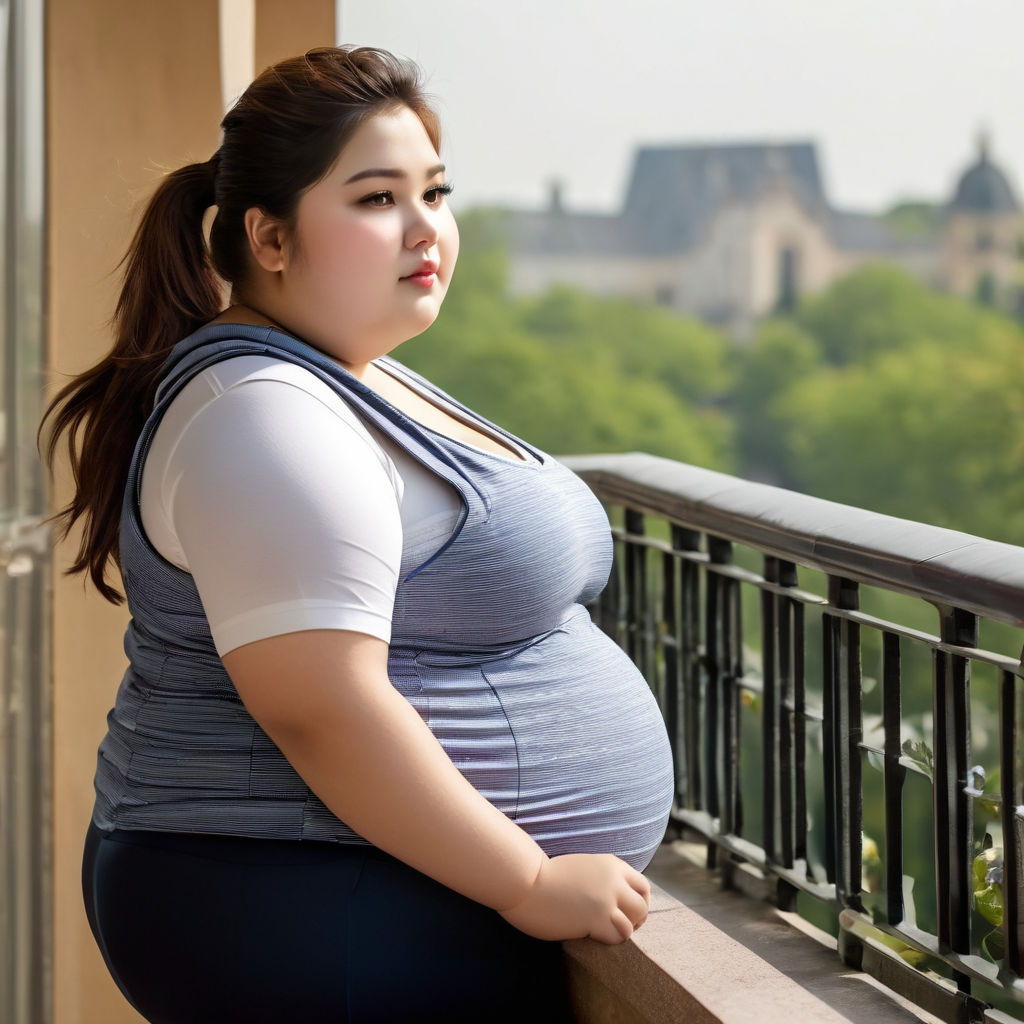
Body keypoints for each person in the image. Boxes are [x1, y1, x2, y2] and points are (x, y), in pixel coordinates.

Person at [42, 46, 674, 1023]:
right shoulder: (262, 413)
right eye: (377, 200)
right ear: (271, 237)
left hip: (356, 894)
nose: (426, 228)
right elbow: (320, 705)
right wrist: (527, 884)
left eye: (436, 190)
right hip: (299, 902)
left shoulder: (347, 372)